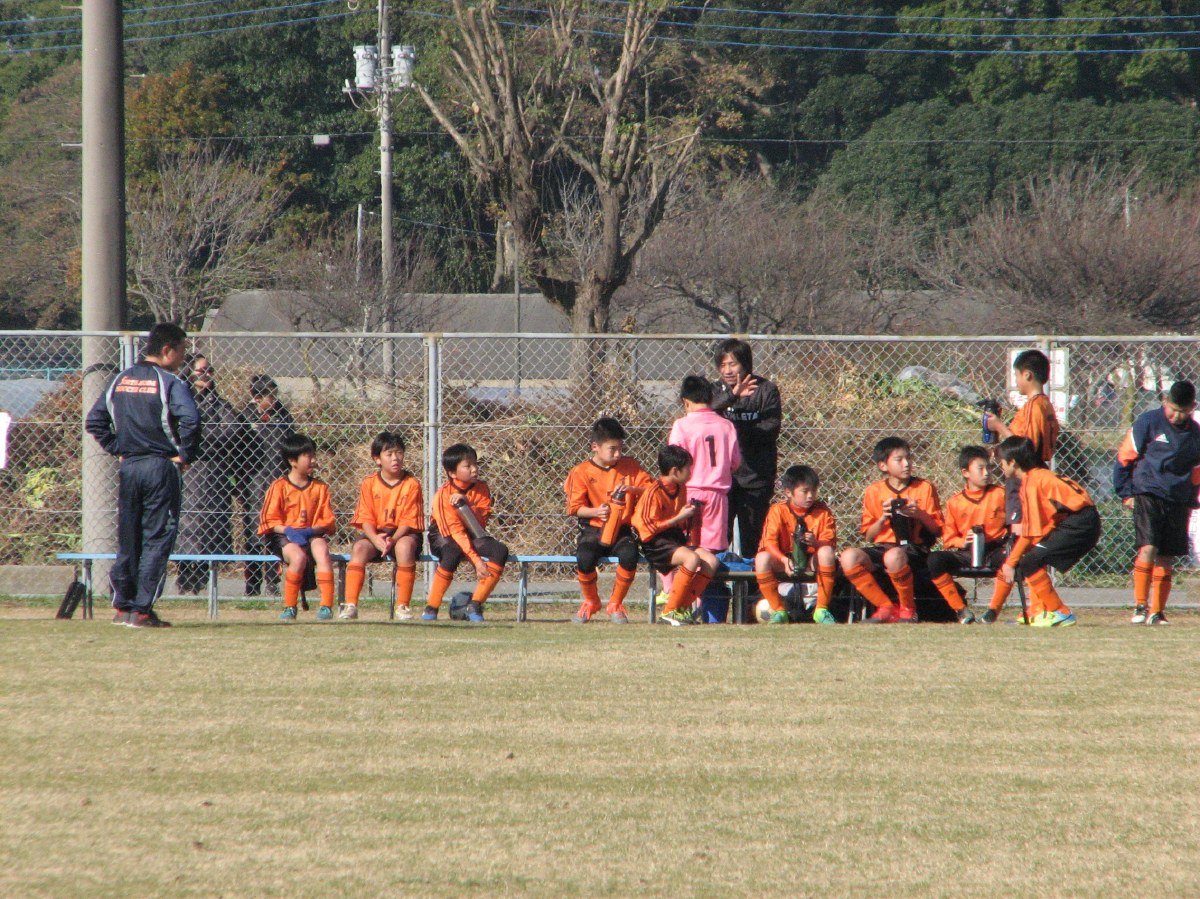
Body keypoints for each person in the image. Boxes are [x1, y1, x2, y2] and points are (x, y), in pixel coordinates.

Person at [84, 322, 200, 628]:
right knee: (157, 537)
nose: (184, 358)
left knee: (129, 536)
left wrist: (118, 448)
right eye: (182, 350)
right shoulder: (170, 382)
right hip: (160, 467)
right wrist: (185, 454)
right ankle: (142, 609)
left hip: (130, 467)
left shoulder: (119, 380)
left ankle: (123, 606)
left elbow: (94, 421)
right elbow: (191, 419)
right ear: (167, 350)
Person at [1113, 381, 1200, 626]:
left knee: (1166, 555)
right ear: (1165, 401)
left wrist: (1191, 497)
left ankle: (1157, 612)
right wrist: (1125, 492)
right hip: (1148, 493)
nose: (1177, 415)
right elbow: (1124, 457)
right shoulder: (1148, 422)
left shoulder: (1195, 434)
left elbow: (1196, 470)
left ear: (1192, 407)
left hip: (1177, 498)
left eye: (1183, 411)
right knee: (1148, 547)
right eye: (1173, 409)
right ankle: (1140, 605)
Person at [997, 437, 1100, 627]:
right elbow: (1038, 530)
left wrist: (1010, 563)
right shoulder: (1037, 476)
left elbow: (1029, 533)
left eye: (1002, 461)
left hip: (1079, 522)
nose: (1000, 466)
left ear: (1013, 462)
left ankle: (1060, 612)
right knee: (1033, 557)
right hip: (1082, 519)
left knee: (1030, 560)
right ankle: (1039, 610)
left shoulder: (1031, 482)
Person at [839, 436, 944, 624]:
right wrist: (883, 518)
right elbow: (870, 537)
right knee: (848, 557)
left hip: (913, 549)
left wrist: (919, 514)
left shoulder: (924, 487)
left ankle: (908, 609)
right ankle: (885, 607)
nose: (907, 464)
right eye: (899, 460)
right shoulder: (874, 491)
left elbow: (937, 530)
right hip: (884, 547)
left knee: (893, 556)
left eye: (908, 458)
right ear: (883, 466)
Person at [563, 417, 653, 624]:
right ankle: (591, 601)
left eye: (621, 448)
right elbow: (574, 508)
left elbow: (652, 489)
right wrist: (596, 512)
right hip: (593, 529)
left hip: (621, 530)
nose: (618, 454)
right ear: (595, 447)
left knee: (629, 555)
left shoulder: (630, 466)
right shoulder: (581, 471)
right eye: (612, 449)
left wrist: (633, 489)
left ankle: (615, 603)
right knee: (585, 557)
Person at [631, 445, 718, 627]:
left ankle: (681, 608)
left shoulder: (681, 487)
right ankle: (668, 611)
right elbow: (646, 528)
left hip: (674, 539)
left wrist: (689, 517)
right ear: (674, 471)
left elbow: (678, 521)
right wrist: (678, 518)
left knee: (711, 561)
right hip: (655, 543)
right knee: (691, 559)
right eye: (688, 469)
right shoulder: (653, 492)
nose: (690, 473)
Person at [175, 354, 241, 594]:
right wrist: (194, 439)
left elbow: (232, 429)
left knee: (212, 523)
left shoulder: (219, 404)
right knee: (187, 521)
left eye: (210, 370)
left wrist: (197, 436)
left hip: (214, 471)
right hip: (187, 469)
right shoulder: (180, 400)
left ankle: (204, 576)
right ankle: (185, 573)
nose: (207, 375)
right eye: (201, 371)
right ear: (189, 373)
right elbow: (175, 430)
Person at [710, 338, 782, 559]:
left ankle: (752, 581)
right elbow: (703, 414)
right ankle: (718, 581)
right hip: (722, 479)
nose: (727, 370)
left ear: (746, 364)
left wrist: (731, 431)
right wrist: (733, 396)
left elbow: (770, 428)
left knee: (753, 540)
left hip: (756, 477)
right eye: (723, 365)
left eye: (733, 364)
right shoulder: (715, 390)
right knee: (718, 540)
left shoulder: (766, 390)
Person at [342, 431, 424, 620]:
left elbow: (408, 520)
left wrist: (393, 540)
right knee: (360, 548)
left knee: (404, 547)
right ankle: (350, 605)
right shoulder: (369, 483)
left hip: (402, 534)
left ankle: (403, 606)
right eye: (389, 454)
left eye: (399, 453)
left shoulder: (412, 484)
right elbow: (365, 517)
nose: (395, 458)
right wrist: (374, 538)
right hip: (376, 534)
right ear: (377, 459)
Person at [422, 443, 508, 622]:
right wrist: (477, 562)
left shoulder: (481, 488)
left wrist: (467, 503)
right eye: (467, 466)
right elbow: (456, 532)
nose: (474, 469)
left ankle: (475, 605)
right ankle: (431, 607)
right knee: (452, 550)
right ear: (452, 473)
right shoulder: (444, 495)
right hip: (444, 535)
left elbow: (480, 524)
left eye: (475, 464)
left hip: (471, 532)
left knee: (500, 550)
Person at [258, 432, 337, 621]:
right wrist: (288, 530)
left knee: (322, 550)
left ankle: (326, 606)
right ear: (292, 461)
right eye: (308, 456)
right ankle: (290, 607)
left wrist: (310, 531)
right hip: (284, 535)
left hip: (311, 534)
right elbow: (268, 520)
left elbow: (327, 521)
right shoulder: (278, 487)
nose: (313, 460)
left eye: (313, 455)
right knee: (298, 557)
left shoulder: (320, 488)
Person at [926, 446, 1009, 625]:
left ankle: (993, 611)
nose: (986, 473)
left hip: (994, 550)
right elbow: (948, 539)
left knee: (1011, 559)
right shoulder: (955, 502)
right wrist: (964, 541)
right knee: (935, 560)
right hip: (966, 552)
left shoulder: (1000, 494)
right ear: (965, 472)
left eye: (989, 468)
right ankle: (961, 610)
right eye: (980, 468)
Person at [984, 349, 1060, 532]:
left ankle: (1017, 548)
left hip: (1024, 474)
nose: (1016, 381)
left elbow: (1025, 448)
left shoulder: (1033, 406)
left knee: (1020, 527)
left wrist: (999, 426)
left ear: (1027, 375)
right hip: (1039, 470)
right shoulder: (1045, 404)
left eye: (1016, 375)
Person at [754, 464, 838, 625]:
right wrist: (784, 559)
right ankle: (779, 610)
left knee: (826, 552)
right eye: (805, 491)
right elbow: (768, 542)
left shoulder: (823, 511)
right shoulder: (777, 510)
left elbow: (830, 542)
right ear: (788, 492)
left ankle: (821, 609)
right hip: (785, 559)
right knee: (762, 558)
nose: (810, 496)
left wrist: (816, 543)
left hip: (811, 559)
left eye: (813, 491)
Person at [667, 375, 741, 553]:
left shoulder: (682, 425)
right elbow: (735, 463)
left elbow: (674, 461)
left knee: (688, 547)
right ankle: (710, 572)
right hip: (718, 495)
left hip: (689, 492)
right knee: (713, 550)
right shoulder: (726, 425)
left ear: (686, 402)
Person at [237, 374, 295, 596]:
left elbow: (290, 446)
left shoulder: (283, 416)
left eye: (274, 395)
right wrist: (239, 484)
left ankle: (273, 581)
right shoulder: (245, 417)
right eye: (269, 396)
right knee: (253, 535)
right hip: (253, 484)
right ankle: (252, 584)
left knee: (275, 534)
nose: (273, 400)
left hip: (278, 482)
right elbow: (237, 454)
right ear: (257, 397)